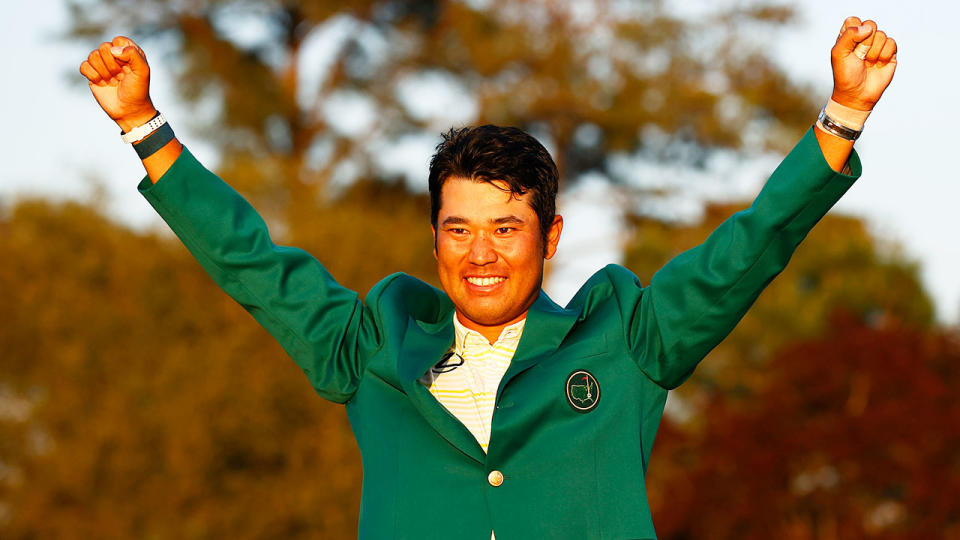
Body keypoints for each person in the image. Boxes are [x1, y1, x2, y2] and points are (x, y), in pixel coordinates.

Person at [81, 16, 897, 540]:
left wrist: (842, 116)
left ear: (550, 239)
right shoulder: (371, 347)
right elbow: (250, 262)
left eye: (506, 229)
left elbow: (747, 251)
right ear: (434, 243)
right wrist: (144, 128)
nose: (481, 254)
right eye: (460, 229)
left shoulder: (626, 341)